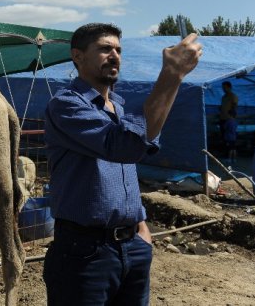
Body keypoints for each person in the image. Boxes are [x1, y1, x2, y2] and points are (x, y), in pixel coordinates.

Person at [43, 23, 202, 305]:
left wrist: (141, 224)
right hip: (85, 251)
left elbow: (136, 156)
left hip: (133, 246)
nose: (114, 55)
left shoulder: (118, 107)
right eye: (105, 49)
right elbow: (124, 147)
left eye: (118, 49)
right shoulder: (66, 105)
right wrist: (172, 74)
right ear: (77, 56)